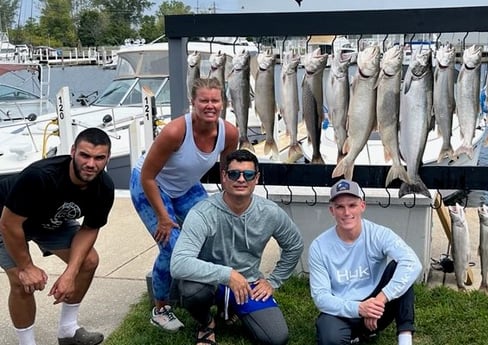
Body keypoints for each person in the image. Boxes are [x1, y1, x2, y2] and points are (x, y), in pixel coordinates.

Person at [129, 77, 238, 332]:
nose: (210, 106)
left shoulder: (228, 132)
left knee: (213, 236)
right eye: (204, 100)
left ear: (223, 102)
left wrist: (231, 200)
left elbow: (226, 170)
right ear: (193, 102)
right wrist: (164, 218)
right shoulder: (175, 131)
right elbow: (147, 176)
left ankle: (220, 298)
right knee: (172, 248)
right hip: (151, 186)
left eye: (215, 100)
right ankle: (161, 308)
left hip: (186, 187)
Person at [171, 149, 304, 345]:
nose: (241, 179)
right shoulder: (202, 213)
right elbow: (179, 263)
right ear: (224, 177)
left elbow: (295, 245)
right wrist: (228, 275)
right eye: (234, 174)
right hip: (209, 282)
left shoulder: (270, 212)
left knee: (276, 338)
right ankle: (207, 323)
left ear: (256, 178)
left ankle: (233, 308)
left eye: (248, 174)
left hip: (248, 282)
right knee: (193, 292)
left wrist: (274, 281)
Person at [0, 128, 115, 345]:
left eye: (99, 157)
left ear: (107, 158)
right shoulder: (41, 176)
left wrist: (70, 274)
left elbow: (90, 228)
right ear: (73, 152)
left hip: (49, 219)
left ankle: (68, 331)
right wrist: (27, 267)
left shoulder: (104, 188)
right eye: (85, 155)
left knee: (88, 261)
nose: (91, 164)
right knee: (21, 281)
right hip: (6, 219)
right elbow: (9, 224)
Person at [308, 179, 422, 345]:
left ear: (362, 206)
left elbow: (413, 263)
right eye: (340, 207)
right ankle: (359, 335)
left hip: (377, 307)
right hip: (342, 308)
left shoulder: (378, 234)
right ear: (332, 210)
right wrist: (360, 308)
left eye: (352, 205)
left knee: (402, 267)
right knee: (329, 338)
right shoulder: (319, 246)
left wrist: (379, 300)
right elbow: (321, 297)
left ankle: (405, 339)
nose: (347, 212)